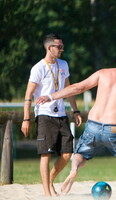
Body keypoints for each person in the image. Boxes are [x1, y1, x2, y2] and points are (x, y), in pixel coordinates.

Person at [35, 49, 116, 200]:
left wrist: (51, 96)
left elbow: (77, 88)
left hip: (93, 125)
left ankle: (74, 170)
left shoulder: (103, 73)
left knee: (80, 154)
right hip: (115, 130)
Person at [21, 33, 82, 196]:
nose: (62, 49)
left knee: (67, 153)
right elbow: (28, 95)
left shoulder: (64, 64)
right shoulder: (38, 68)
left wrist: (75, 110)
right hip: (44, 115)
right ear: (50, 48)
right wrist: (26, 119)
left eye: (62, 46)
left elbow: (69, 90)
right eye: (59, 47)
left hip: (61, 114)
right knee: (45, 154)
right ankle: (47, 193)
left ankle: (49, 179)